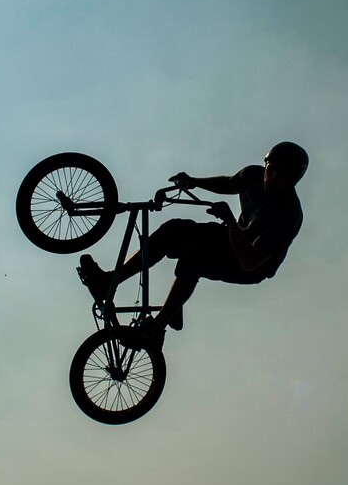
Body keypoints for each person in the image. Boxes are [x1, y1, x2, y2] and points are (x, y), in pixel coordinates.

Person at [78, 141, 308, 348]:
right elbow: (229, 183)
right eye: (273, 170)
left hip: (252, 264)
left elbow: (249, 262)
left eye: (284, 176)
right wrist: (194, 182)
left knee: (194, 256)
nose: (275, 178)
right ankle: (109, 281)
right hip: (233, 237)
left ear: (294, 180)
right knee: (174, 230)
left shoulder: (287, 215)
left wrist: (230, 222)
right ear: (266, 164)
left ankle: (157, 328)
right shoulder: (252, 176)